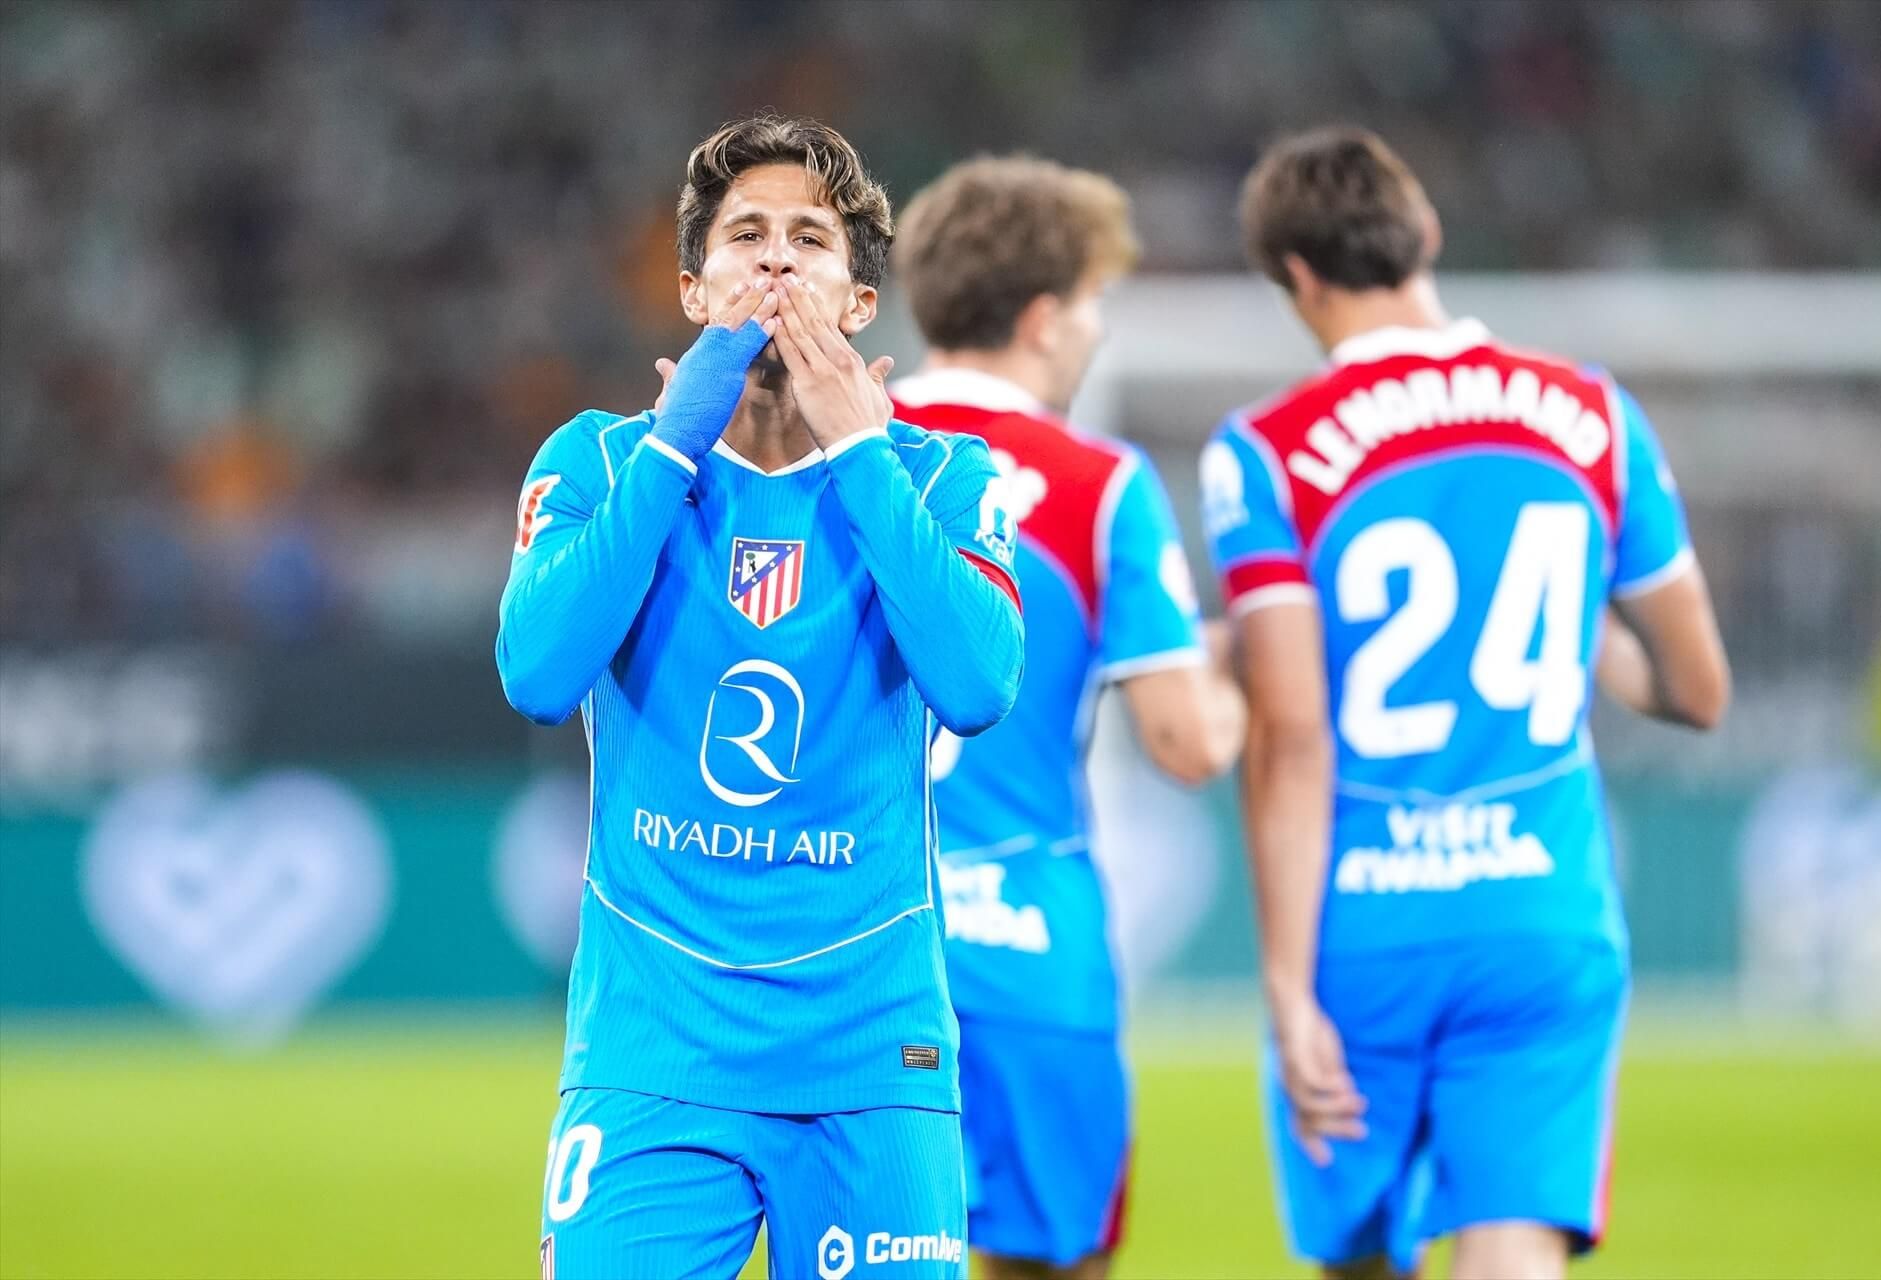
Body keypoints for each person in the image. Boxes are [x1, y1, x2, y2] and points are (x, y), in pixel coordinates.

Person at [495, 114, 1025, 1280]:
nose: (777, 260)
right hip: (654, 1048)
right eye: (746, 236)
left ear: (859, 300)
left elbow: (981, 684)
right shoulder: (592, 461)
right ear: (693, 289)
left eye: (810, 239)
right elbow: (536, 672)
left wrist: (859, 451)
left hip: (871, 1056)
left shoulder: (945, 476)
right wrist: (677, 436)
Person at [1203, 127, 1730, 1280]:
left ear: (1293, 274)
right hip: (1540, 913)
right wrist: (1585, 635)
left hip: (1365, 924)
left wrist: (1287, 988)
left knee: (1357, 1257)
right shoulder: (1591, 414)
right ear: (1426, 234)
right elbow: (1698, 689)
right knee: (1514, 1253)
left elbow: (1291, 740)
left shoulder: (1265, 454)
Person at [889, 156, 1246, 1280]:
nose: (1097, 328)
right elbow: (1186, 743)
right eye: (1093, 301)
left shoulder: (829, 456)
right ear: (1044, 320)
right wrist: (1240, 665)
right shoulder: (1098, 483)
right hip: (1028, 944)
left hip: (859, 937)